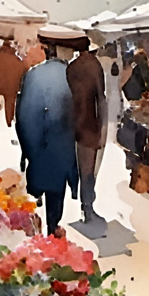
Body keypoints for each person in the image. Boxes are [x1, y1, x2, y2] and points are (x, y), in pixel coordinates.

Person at [16, 47, 78, 234]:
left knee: (34, 193)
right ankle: (52, 231)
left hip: (38, 145)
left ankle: (34, 236)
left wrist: (28, 150)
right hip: (62, 147)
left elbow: (24, 116)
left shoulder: (33, 75)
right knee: (56, 193)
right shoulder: (72, 76)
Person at [67, 41, 107, 224]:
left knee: (73, 164)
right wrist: (102, 128)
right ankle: (87, 207)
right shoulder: (95, 66)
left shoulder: (72, 67)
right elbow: (100, 98)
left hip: (71, 122)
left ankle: (76, 196)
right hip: (89, 125)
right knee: (88, 170)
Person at [0, 38, 27, 126]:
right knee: (10, 104)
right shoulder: (17, 60)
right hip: (12, 86)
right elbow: (24, 68)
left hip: (0, 83)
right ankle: (9, 122)